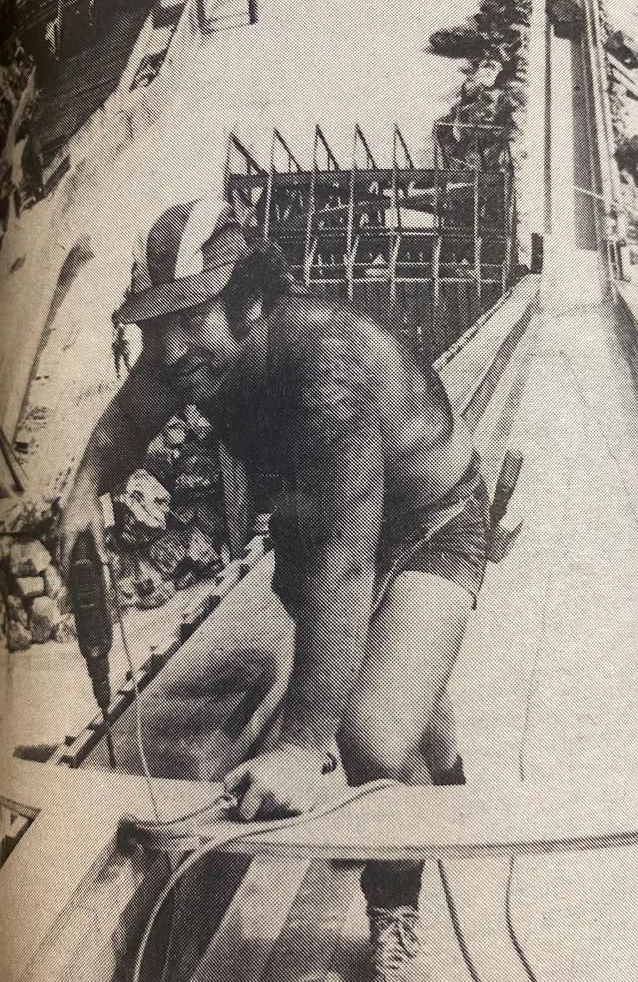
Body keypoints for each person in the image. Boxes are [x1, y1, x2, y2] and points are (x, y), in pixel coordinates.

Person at [58, 197, 491, 981]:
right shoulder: (188, 357)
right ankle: (445, 775)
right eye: (154, 326)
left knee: (369, 739)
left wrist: (299, 747)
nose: (169, 347)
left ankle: (394, 901)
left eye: (190, 319)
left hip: (430, 521)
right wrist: (84, 491)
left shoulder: (329, 372)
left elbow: (345, 567)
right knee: (401, 690)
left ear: (251, 302)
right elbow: (127, 423)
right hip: (324, 521)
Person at [111, 310, 131, 377]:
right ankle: (129, 372)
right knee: (126, 361)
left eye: (113, 319)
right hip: (126, 344)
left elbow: (115, 336)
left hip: (121, 344)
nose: (113, 321)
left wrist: (114, 344)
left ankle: (118, 373)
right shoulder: (124, 325)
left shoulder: (118, 326)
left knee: (118, 359)